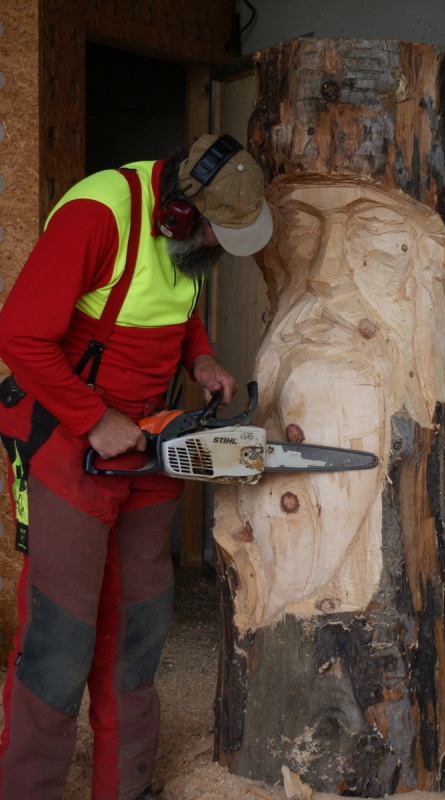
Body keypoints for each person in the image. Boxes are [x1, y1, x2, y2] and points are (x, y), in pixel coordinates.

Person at [0, 133, 273, 800]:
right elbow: (19, 335)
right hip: (68, 440)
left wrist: (199, 358)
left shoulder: (185, 242)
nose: (217, 246)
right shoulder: (98, 215)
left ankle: (125, 786)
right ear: (179, 212)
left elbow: (174, 305)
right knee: (62, 632)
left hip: (148, 441)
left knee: (140, 624)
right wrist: (94, 418)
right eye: (214, 232)